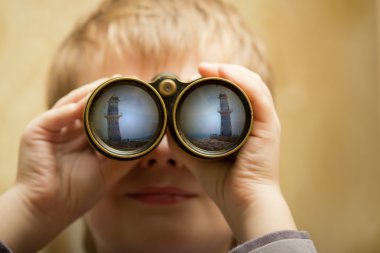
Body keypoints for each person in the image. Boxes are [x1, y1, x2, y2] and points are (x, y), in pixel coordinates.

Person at [0, 0, 318, 252]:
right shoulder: (36, 209)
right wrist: (32, 209)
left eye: (194, 115)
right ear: (79, 131)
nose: (165, 150)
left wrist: (255, 201)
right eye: (132, 117)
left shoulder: (254, 197)